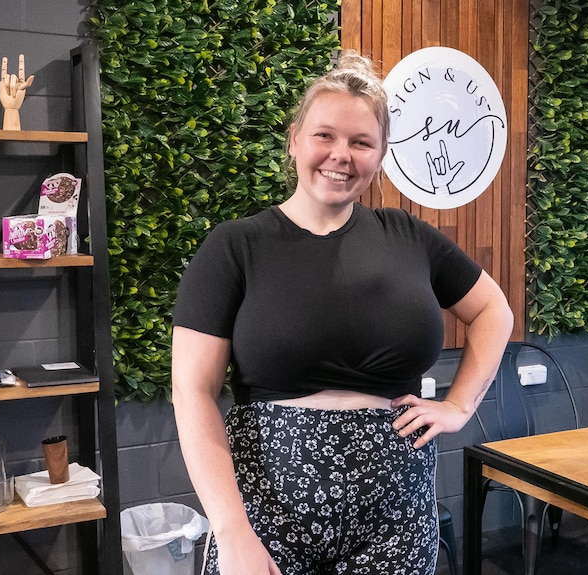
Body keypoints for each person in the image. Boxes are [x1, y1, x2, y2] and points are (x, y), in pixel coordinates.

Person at [171, 50, 513, 575]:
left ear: (380, 156)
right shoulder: (235, 247)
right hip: (265, 518)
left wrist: (460, 404)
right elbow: (193, 392)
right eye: (324, 135)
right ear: (295, 140)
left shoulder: (408, 237)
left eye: (361, 142)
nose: (341, 155)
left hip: (396, 517)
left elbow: (493, 309)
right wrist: (230, 529)